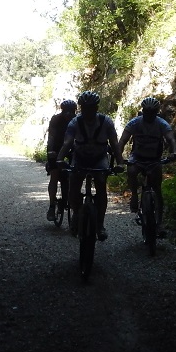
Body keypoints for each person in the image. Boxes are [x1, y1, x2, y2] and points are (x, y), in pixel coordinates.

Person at [55, 90, 124, 241]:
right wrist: (59, 159)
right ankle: (76, 215)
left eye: (91, 108)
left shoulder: (106, 122)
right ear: (81, 108)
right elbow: (67, 142)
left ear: (96, 108)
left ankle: (100, 224)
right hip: (80, 158)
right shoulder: (75, 122)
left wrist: (120, 162)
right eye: (85, 108)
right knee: (73, 185)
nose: (88, 111)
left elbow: (114, 143)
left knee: (101, 186)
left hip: (99, 158)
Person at [118, 97, 176, 231]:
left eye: (152, 112)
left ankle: (160, 222)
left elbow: (170, 139)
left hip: (154, 159)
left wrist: (174, 151)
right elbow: (122, 141)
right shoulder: (135, 123)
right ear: (143, 111)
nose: (149, 115)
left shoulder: (161, 124)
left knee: (157, 190)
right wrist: (119, 157)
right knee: (132, 171)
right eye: (147, 112)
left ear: (156, 112)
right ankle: (134, 195)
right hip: (138, 157)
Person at [44, 99, 77, 221]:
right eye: (66, 111)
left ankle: (73, 203)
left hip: (72, 147)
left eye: (71, 111)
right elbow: (51, 136)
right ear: (62, 111)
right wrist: (50, 152)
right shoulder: (56, 119)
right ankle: (52, 205)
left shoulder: (77, 120)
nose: (68, 114)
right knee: (54, 174)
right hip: (57, 148)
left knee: (75, 175)